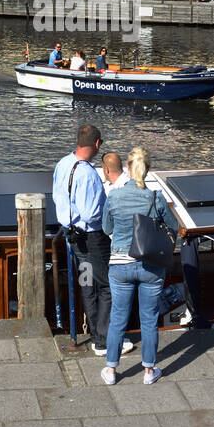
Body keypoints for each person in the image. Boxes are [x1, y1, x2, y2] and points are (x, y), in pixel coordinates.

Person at [53, 125, 131, 357]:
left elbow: (59, 197)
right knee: (106, 285)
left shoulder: (63, 163)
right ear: (97, 144)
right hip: (92, 239)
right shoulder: (87, 173)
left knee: (87, 284)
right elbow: (90, 213)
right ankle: (104, 340)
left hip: (73, 237)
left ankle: (97, 335)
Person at [100, 147, 173, 385]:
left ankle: (111, 370)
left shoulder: (114, 196)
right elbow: (173, 228)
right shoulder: (155, 197)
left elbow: (106, 228)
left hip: (120, 265)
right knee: (149, 319)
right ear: (148, 169)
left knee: (118, 317)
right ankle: (149, 372)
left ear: (128, 169)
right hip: (150, 265)